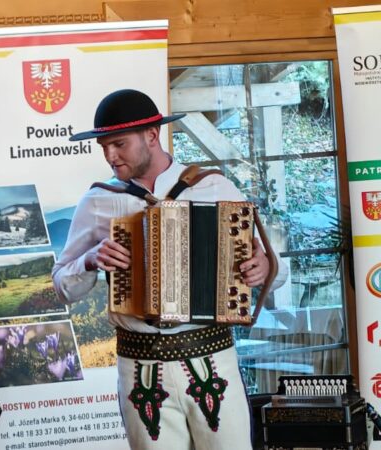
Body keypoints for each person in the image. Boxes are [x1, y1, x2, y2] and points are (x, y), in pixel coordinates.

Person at [52, 89, 288, 450]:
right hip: (140, 364)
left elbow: (278, 273)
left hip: (213, 358)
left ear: (152, 135)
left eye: (118, 144)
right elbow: (62, 287)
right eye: (104, 147)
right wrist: (90, 259)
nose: (110, 156)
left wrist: (264, 266)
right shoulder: (98, 201)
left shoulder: (214, 186)